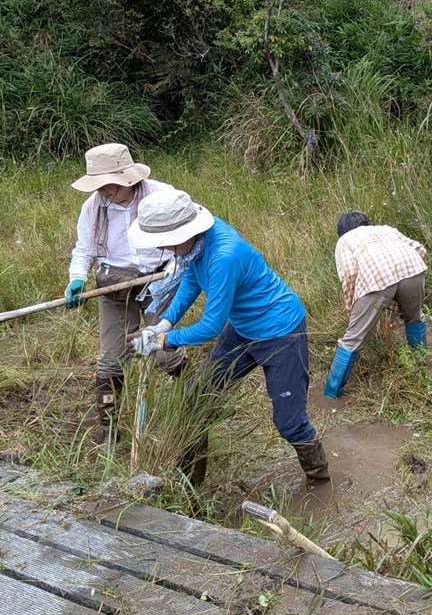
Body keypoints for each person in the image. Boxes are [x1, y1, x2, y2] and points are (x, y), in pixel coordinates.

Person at [127, 188, 328, 487]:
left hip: (280, 331)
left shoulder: (224, 255)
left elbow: (210, 326)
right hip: (243, 329)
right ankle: (189, 483)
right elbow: (192, 280)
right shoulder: (197, 245)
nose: (166, 249)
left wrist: (165, 341)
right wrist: (164, 323)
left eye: (168, 242)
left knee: (289, 423)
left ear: (185, 231)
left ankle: (320, 478)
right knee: (197, 398)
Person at [66, 143, 174, 448]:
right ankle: (110, 431)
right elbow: (84, 250)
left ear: (127, 178)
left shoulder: (161, 196)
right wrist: (77, 278)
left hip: (160, 280)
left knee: (166, 355)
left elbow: (189, 235)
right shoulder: (93, 207)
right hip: (113, 284)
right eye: (98, 184)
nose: (102, 191)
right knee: (110, 363)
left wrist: (176, 271)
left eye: (107, 184)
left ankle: (190, 408)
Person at [323, 211, 427, 399]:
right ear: (367, 223)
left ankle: (331, 393)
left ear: (342, 231)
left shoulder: (345, 240)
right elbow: (419, 249)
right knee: (414, 318)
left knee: (353, 338)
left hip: (378, 277)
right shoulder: (386, 229)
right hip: (413, 268)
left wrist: (351, 307)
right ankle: (420, 370)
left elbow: (349, 275)